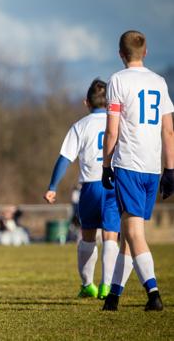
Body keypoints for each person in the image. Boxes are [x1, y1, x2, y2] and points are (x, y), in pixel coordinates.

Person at [101, 30, 174, 311]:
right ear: (145, 52)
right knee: (129, 234)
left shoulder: (117, 80)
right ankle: (113, 297)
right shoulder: (159, 81)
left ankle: (153, 293)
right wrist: (170, 170)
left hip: (129, 163)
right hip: (153, 167)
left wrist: (106, 164)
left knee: (133, 232)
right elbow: (168, 130)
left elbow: (112, 130)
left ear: (121, 54)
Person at [43, 79, 121, 300]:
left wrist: (52, 187)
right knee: (110, 236)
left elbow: (64, 158)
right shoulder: (120, 122)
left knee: (87, 236)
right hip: (114, 184)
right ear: (110, 102)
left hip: (90, 187)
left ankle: (88, 284)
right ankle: (107, 286)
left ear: (86, 102)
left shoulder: (80, 126)